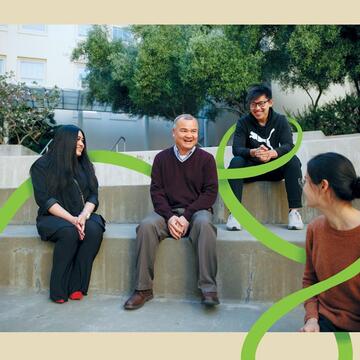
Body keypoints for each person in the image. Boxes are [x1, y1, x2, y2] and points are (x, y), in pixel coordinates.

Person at [124, 114, 219, 310]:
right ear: (174, 133)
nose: (189, 135)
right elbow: (156, 192)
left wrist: (186, 216)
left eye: (193, 131)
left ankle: (208, 289)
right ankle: (143, 289)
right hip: (167, 212)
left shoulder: (207, 159)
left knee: (205, 225)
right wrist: (170, 217)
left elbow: (210, 193)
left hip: (197, 212)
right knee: (146, 226)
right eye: (184, 130)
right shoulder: (161, 159)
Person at [30, 125, 105, 303]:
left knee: (94, 230)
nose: (81, 144)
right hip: (52, 218)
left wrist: (84, 215)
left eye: (83, 140)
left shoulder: (85, 165)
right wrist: (72, 220)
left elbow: (94, 195)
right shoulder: (41, 166)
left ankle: (77, 286)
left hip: (81, 215)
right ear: (65, 141)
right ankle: (58, 289)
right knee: (69, 232)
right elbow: (45, 200)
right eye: (77, 140)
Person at [226, 84, 303, 231]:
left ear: (270, 102)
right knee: (236, 162)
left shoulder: (280, 120)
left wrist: (272, 153)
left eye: (261, 103)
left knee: (293, 161)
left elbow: (288, 146)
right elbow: (237, 149)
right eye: (253, 105)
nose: (257, 108)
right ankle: (234, 214)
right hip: (251, 169)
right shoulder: (243, 123)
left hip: (273, 168)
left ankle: (294, 212)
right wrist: (253, 152)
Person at [300, 152, 360, 332]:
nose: (303, 188)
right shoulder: (314, 229)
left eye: (306, 181)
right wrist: (311, 319)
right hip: (325, 323)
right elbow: (310, 280)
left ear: (323, 186)